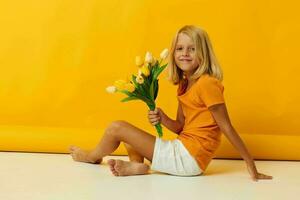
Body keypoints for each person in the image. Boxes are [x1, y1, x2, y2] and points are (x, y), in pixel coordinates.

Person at [70, 25, 272, 181]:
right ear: (174, 54)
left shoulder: (207, 84)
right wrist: (163, 118)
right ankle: (137, 166)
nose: (185, 53)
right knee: (130, 139)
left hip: (189, 159)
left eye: (192, 49)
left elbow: (226, 127)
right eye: (180, 48)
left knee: (116, 128)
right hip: (183, 149)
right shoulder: (185, 85)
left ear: (204, 53)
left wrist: (251, 166)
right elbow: (180, 127)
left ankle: (90, 156)